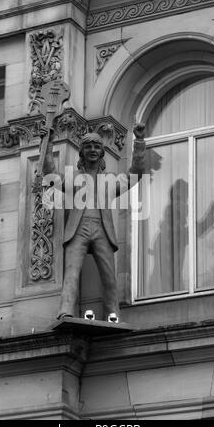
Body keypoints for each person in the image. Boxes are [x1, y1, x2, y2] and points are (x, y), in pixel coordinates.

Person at [41, 123, 151, 322]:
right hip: (78, 229)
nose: (93, 150)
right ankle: (65, 310)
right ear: (82, 152)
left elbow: (135, 174)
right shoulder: (74, 178)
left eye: (97, 147)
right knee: (72, 272)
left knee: (109, 276)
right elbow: (50, 174)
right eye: (89, 146)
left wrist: (140, 141)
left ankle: (113, 314)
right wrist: (47, 144)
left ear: (102, 153)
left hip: (102, 229)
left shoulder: (109, 180)